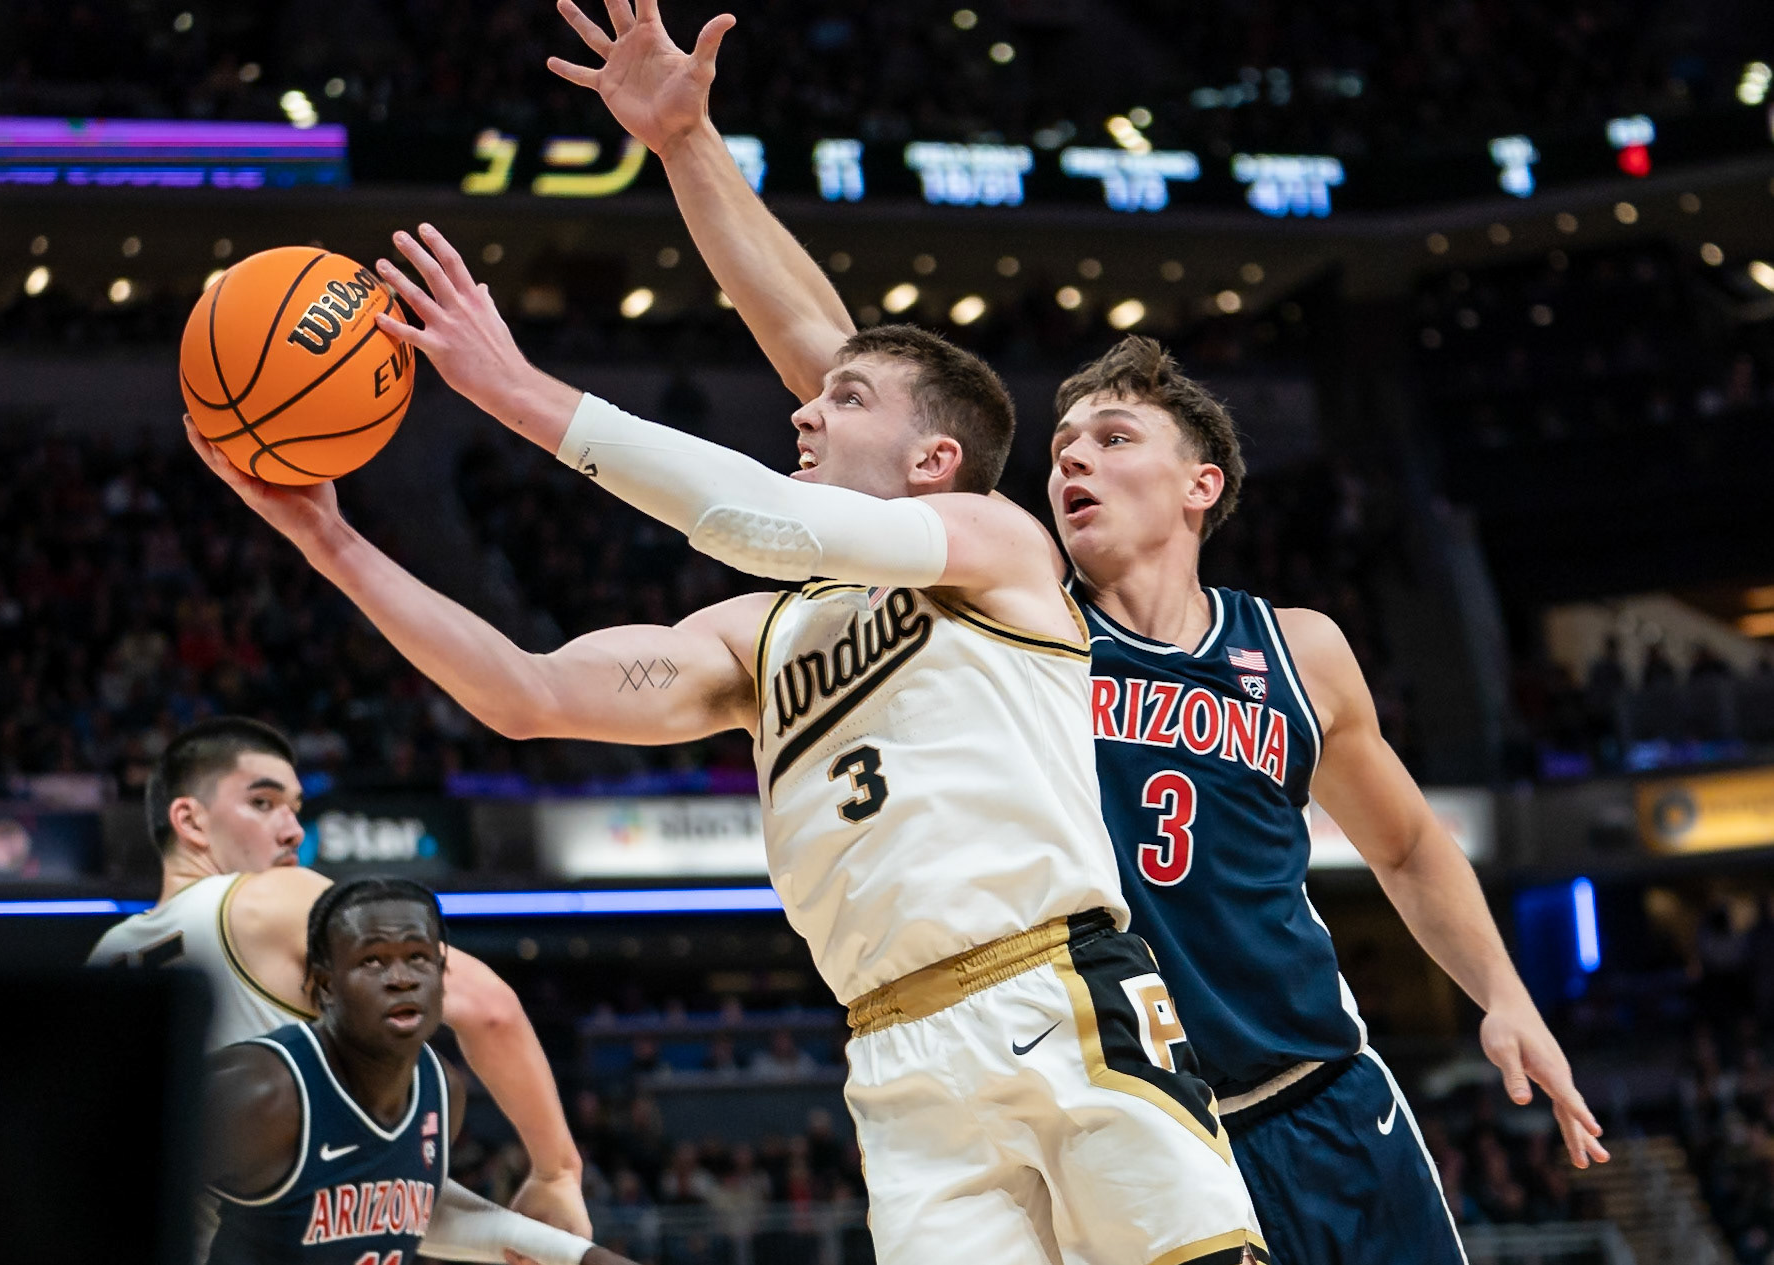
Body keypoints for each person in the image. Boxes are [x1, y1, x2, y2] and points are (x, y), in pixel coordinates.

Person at [541, 4, 1608, 1262]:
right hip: (1136, 1109)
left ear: (1203, 482)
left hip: (1324, 1095)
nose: (1071, 462)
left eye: (1112, 438)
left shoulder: (1297, 649)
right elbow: (827, 356)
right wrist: (688, 146)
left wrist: (1505, 994)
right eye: (1060, 446)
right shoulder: (1009, 611)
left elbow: (1411, 844)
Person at [188, 235, 1269, 1262]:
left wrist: (513, 387)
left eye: (847, 399)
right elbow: (525, 692)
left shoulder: (995, 544)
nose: (805, 411)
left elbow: (756, 519)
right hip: (894, 1049)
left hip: (1054, 989)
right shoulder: (757, 638)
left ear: (935, 458)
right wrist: (327, 538)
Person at [88, 716, 591, 1238]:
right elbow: (489, 1010)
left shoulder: (108, 955)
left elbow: (335, 1198)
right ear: (190, 821)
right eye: (263, 803)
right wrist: (556, 1171)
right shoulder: (272, 898)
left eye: (294, 807)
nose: (293, 830)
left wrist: (509, 1235)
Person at [205, 876, 639, 1265]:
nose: (401, 979)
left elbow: (410, 1214)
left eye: (417, 957)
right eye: (372, 960)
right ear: (325, 984)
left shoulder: (441, 1090)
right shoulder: (261, 1091)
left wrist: (579, 1256)